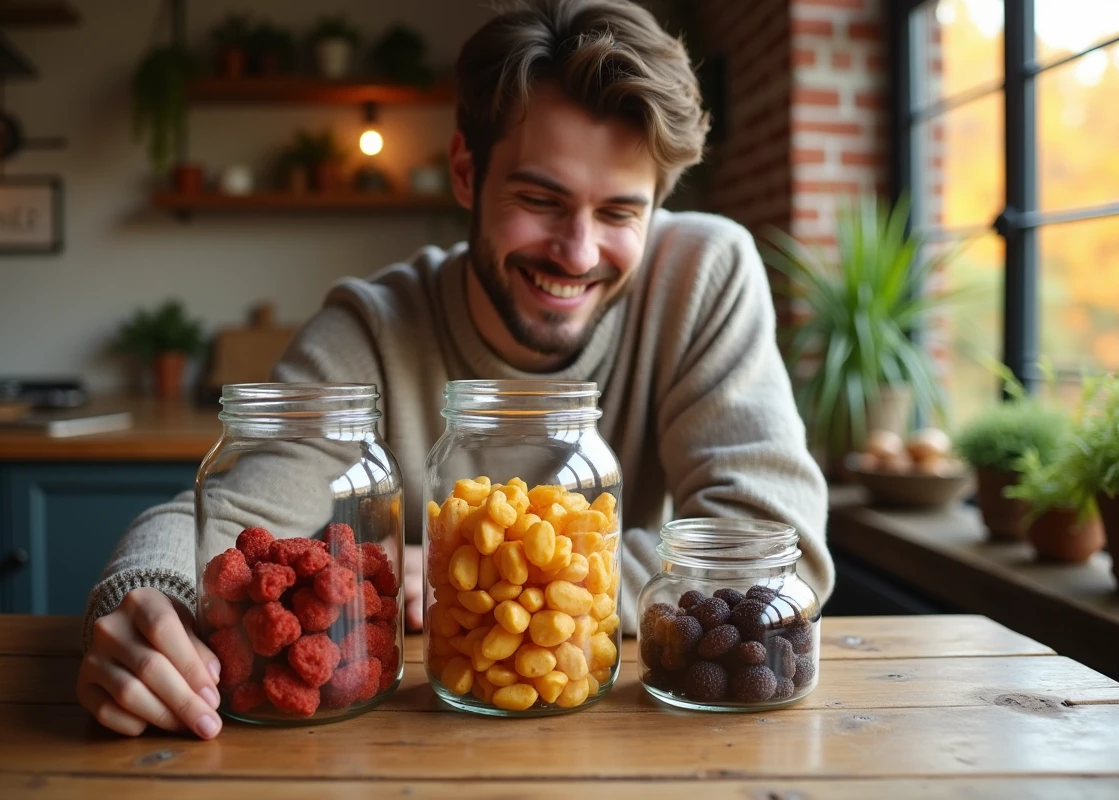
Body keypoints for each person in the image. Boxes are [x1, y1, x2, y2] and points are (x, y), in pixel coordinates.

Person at [76, 0, 831, 740]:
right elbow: (226, 517)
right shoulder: (370, 329)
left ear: (659, 205)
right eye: (541, 198)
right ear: (466, 173)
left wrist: (504, 581)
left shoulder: (704, 273)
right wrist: (151, 601)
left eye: (619, 213)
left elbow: (771, 532)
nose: (577, 252)